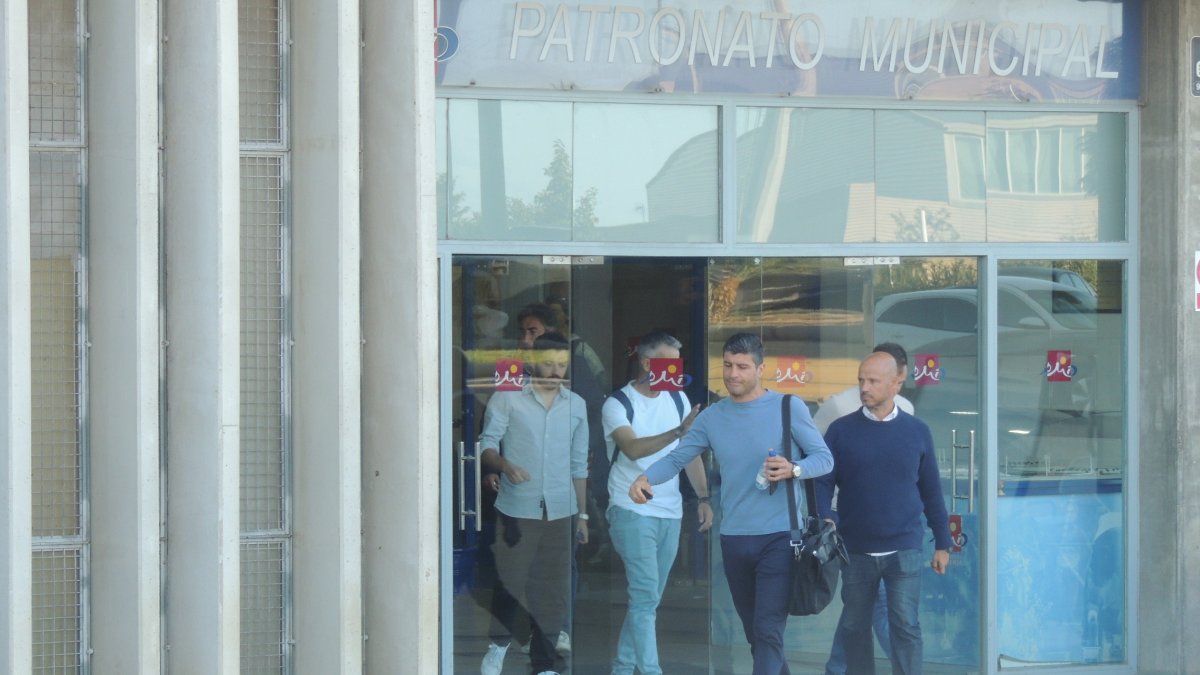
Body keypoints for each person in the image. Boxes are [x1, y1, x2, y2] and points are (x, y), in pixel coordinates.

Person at [628, 332, 834, 675]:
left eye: (741, 366)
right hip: (735, 538)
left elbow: (824, 459)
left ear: (760, 369)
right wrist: (646, 477)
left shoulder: (787, 406)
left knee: (768, 632)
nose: (732, 374)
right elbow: (678, 458)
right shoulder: (712, 417)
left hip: (781, 537)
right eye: (727, 365)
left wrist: (793, 468)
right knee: (756, 635)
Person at [815, 344, 953, 675]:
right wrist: (825, 515)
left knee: (905, 626)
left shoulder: (916, 431)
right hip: (856, 548)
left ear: (896, 383)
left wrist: (943, 543)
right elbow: (822, 482)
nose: (864, 387)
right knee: (853, 627)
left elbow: (931, 488)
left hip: (903, 546)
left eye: (874, 381)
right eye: (862, 380)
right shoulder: (841, 430)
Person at [478, 332, 589, 675]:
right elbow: (487, 444)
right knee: (510, 581)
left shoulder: (577, 405)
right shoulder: (508, 398)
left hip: (561, 510)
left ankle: (544, 664)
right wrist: (505, 465)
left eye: (561, 365)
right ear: (532, 362)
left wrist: (582, 514)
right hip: (517, 508)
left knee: (552, 590)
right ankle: (498, 646)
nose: (555, 371)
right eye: (548, 363)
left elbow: (578, 465)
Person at [604, 331, 712, 675]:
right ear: (648, 363)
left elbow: (690, 455)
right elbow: (633, 449)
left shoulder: (679, 399)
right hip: (631, 508)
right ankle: (650, 670)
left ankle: (622, 667)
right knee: (646, 596)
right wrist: (678, 432)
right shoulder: (618, 403)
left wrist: (703, 497)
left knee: (647, 600)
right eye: (670, 362)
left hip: (670, 510)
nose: (676, 369)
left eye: (678, 363)